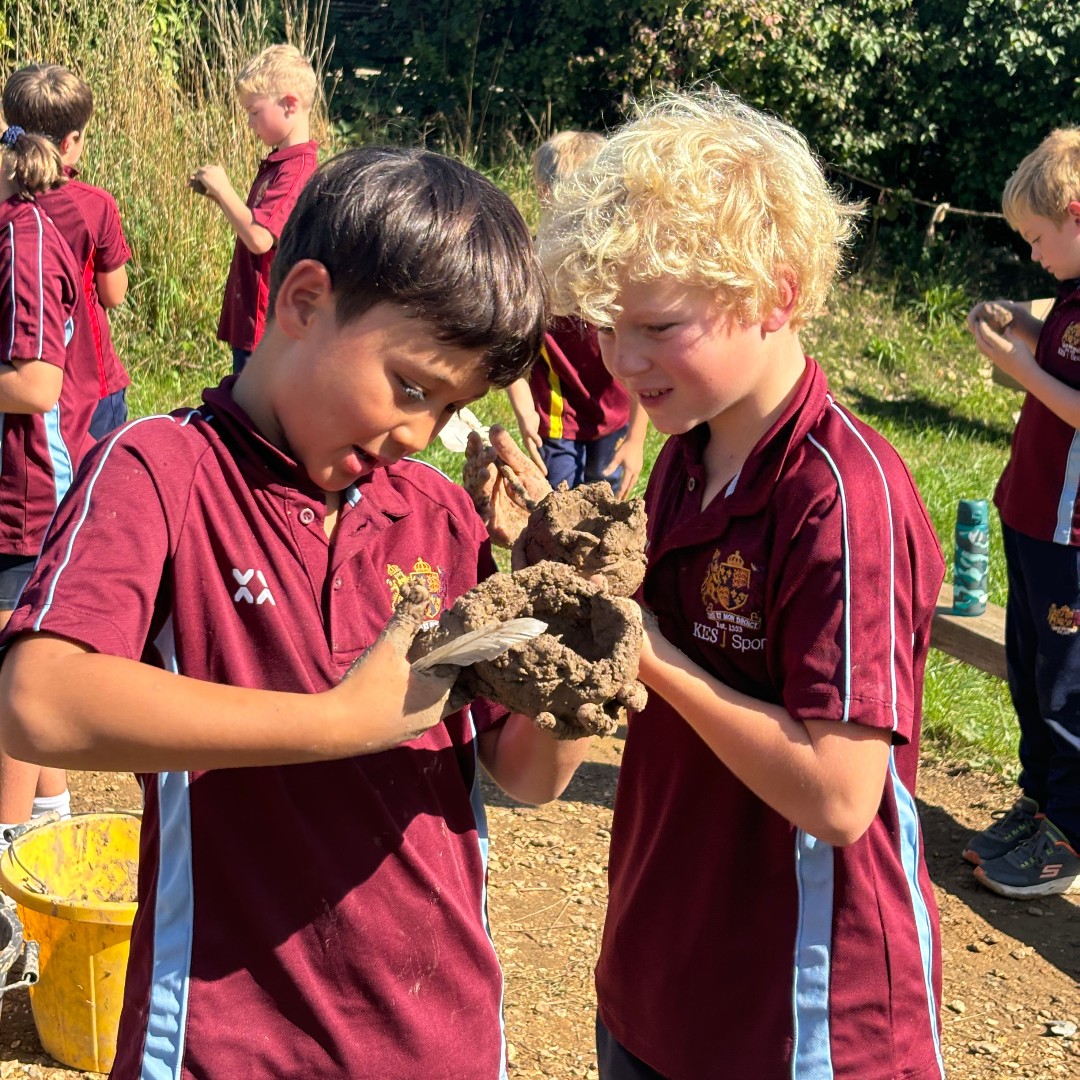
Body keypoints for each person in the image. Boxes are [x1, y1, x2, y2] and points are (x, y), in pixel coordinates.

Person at [0, 146, 589, 1078]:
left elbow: (526, 773)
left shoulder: (435, 514)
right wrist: (337, 723)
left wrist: (570, 649)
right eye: (408, 386)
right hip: (224, 1043)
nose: (416, 435)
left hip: (441, 1041)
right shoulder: (160, 473)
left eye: (446, 410)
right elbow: (38, 699)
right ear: (304, 300)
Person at [468, 92, 946, 1079]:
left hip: (801, 1016)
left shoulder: (841, 496)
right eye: (605, 327)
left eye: (657, 326)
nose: (622, 361)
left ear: (775, 293)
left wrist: (650, 654)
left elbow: (842, 795)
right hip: (660, 977)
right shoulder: (687, 455)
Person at [965, 127, 1080, 899]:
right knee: (1030, 671)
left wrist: (1017, 365)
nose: (1035, 257)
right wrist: (1026, 322)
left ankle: (1069, 836)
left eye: (1038, 239)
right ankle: (1039, 802)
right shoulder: (1073, 292)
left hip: (1072, 533)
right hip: (1031, 513)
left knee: (1069, 686)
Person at [0, 120, 101, 849]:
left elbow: (35, 385)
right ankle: (44, 826)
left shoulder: (24, 242)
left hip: (27, 490)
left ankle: (6, 846)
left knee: (11, 684)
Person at [505, 130, 647, 499]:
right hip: (554, 420)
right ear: (544, 194)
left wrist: (636, 438)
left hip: (614, 417)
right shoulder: (529, 272)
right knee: (557, 508)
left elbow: (642, 357)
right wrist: (525, 413)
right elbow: (505, 349)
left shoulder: (620, 273)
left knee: (603, 512)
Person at [2, 63, 133, 440]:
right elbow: (114, 292)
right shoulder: (95, 204)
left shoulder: (6, 201)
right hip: (89, 380)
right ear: (70, 141)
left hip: (15, 371)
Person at [190, 43, 319, 374]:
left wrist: (224, 189)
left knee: (252, 415)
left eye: (253, 111)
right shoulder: (281, 165)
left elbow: (260, 238)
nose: (249, 123)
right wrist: (218, 197)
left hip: (266, 322)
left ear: (290, 104)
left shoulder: (297, 171)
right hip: (254, 317)